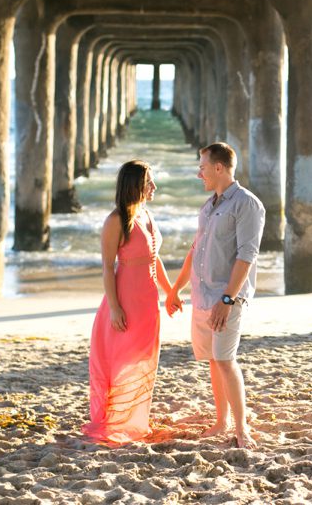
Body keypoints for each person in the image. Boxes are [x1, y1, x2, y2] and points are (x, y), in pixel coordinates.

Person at [167, 142, 265, 449]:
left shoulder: (246, 204)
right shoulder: (208, 207)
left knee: (225, 360)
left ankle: (241, 428)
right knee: (213, 360)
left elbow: (247, 256)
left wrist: (227, 300)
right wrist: (176, 288)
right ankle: (222, 421)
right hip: (203, 294)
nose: (200, 173)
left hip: (226, 297)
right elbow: (196, 251)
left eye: (203, 167)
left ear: (219, 168)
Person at [83, 160, 172, 444]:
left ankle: (135, 419)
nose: (154, 187)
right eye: (149, 183)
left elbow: (154, 258)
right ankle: (117, 421)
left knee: (144, 359)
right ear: (136, 185)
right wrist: (115, 308)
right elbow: (108, 267)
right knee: (121, 359)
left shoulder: (146, 215)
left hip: (148, 302)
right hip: (124, 301)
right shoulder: (115, 221)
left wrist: (170, 292)